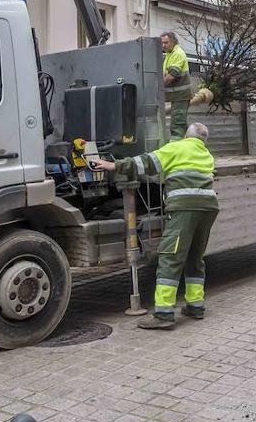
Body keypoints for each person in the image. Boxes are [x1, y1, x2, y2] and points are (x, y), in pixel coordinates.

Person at [91, 123, 218, 329]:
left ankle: (164, 314)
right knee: (195, 257)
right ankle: (195, 306)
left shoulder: (178, 147)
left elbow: (146, 163)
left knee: (171, 257)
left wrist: (113, 166)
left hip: (184, 207)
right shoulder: (206, 155)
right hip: (209, 208)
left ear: (186, 136)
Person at [160, 32, 193, 139]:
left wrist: (156, 89)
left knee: (177, 124)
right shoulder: (170, 54)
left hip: (181, 95)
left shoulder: (177, 54)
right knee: (181, 122)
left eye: (166, 42)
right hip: (177, 96)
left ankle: (177, 146)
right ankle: (191, 142)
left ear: (173, 42)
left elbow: (170, 77)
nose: (163, 45)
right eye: (162, 43)